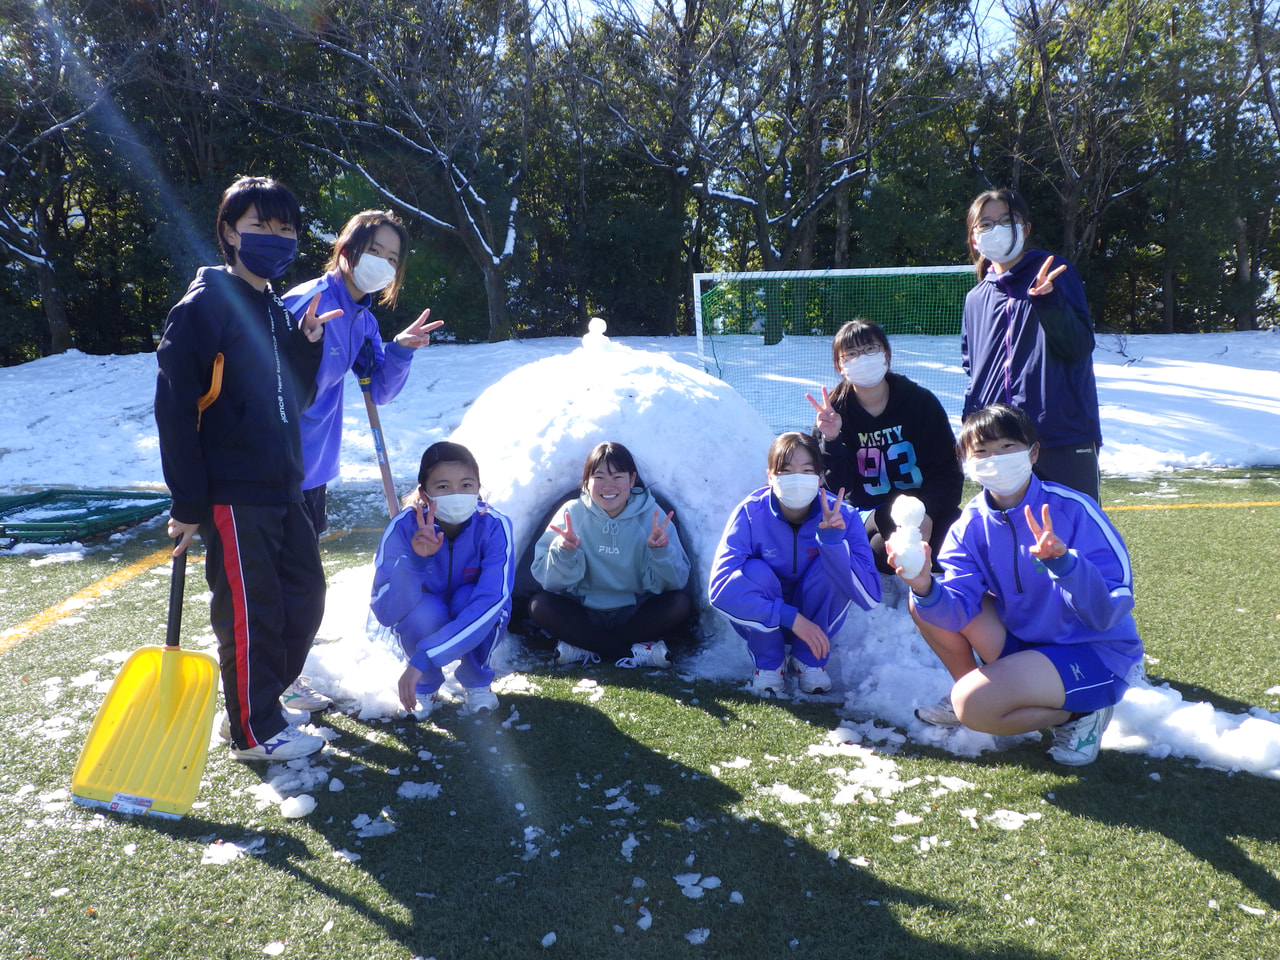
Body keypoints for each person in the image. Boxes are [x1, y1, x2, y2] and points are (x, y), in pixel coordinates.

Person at [155, 175, 341, 762]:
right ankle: (253, 731)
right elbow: (175, 407)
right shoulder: (205, 303)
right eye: (261, 225)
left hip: (284, 485)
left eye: (286, 228)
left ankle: (257, 701)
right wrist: (187, 503)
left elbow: (298, 398)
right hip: (233, 493)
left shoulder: (275, 310)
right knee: (250, 611)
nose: (276, 238)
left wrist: (307, 344)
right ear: (230, 232)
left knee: (305, 597)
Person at [890, 404, 1142, 766]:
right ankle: (985, 685)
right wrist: (924, 584)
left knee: (971, 707)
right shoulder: (969, 525)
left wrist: (1065, 564)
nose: (995, 459)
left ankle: (1081, 714)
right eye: (981, 451)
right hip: (1027, 647)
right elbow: (958, 606)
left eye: (1007, 447)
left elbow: (1108, 610)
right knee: (923, 603)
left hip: (1093, 653)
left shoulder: (1074, 510)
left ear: (1033, 452)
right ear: (966, 460)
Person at [282, 210, 443, 537]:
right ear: (346, 250)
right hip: (273, 467)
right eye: (374, 251)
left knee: (304, 581)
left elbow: (380, 391)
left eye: (392, 258)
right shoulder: (307, 302)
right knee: (270, 582)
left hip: (314, 467)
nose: (383, 263)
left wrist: (400, 350)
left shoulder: (365, 321)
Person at [708, 432, 881, 696]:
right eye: (786, 471)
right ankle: (769, 663)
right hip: (763, 621)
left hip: (817, 625)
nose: (796, 479)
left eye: (807, 470)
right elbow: (719, 589)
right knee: (754, 571)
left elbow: (870, 596)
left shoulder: (842, 515)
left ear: (820, 477)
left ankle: (809, 660)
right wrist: (791, 618)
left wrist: (833, 543)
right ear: (770, 477)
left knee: (831, 566)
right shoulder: (750, 513)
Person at [962, 188, 1102, 502]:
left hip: (1061, 438)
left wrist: (1048, 301)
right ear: (974, 238)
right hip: (1001, 447)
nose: (995, 229)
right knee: (1009, 541)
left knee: (1076, 537)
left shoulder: (1055, 274)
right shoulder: (975, 299)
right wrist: (972, 431)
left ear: (1025, 229)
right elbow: (974, 372)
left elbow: (1079, 346)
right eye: (985, 224)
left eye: (1006, 220)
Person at [808, 319, 963, 576]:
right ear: (840, 365)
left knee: (960, 541)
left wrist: (929, 513)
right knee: (886, 551)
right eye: (852, 354)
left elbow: (947, 471)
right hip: (871, 513)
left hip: (923, 507)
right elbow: (835, 490)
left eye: (870, 349)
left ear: (887, 355)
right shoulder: (833, 412)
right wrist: (832, 440)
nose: (863, 359)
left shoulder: (920, 402)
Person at [370, 442, 514, 718]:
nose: (457, 494)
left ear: (478, 487)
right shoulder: (402, 527)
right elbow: (386, 612)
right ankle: (425, 686)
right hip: (427, 612)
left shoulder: (495, 525)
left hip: (470, 608)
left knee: (471, 601)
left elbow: (491, 602)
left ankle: (477, 681)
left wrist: (424, 657)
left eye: (467, 484)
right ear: (424, 494)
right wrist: (414, 563)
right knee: (425, 610)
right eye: (444, 487)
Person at [529, 442, 695, 669]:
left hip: (635, 611)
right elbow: (547, 581)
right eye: (599, 477)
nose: (609, 486)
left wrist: (660, 552)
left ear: (632, 479)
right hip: (583, 611)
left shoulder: (653, 516)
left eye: (618, 477)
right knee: (540, 605)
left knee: (680, 604)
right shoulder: (572, 513)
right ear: (586, 482)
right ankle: (632, 651)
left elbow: (676, 582)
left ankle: (584, 645)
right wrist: (564, 552)